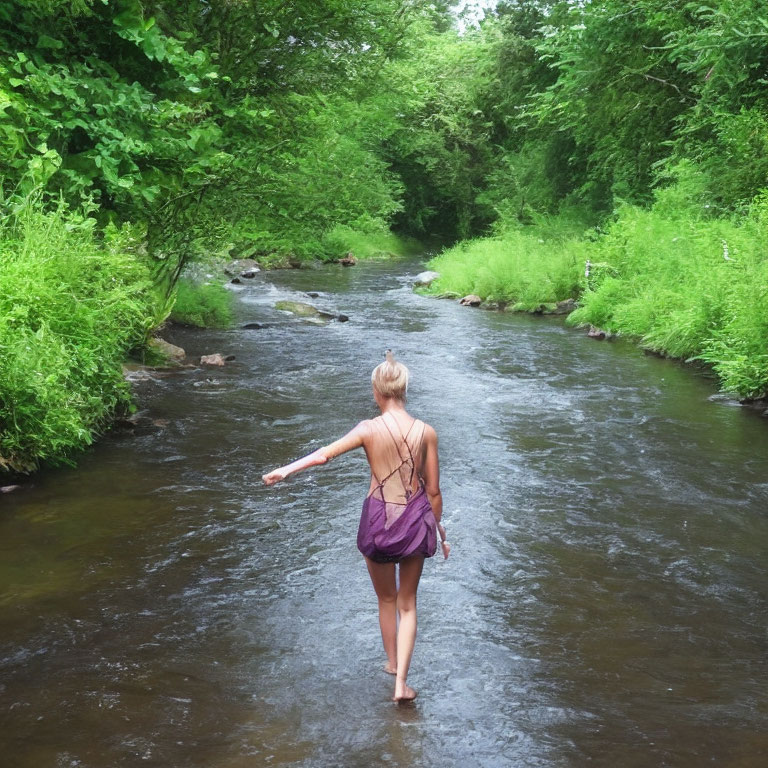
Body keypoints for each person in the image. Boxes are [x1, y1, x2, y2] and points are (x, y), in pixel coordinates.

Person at [262, 350, 450, 703]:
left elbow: (323, 455)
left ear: (376, 392)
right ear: (404, 390)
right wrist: (439, 532)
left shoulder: (367, 429)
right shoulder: (427, 432)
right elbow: (434, 490)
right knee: (408, 604)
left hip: (379, 521)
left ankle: (392, 664)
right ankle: (402, 685)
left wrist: (285, 471)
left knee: (386, 599)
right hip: (414, 521)